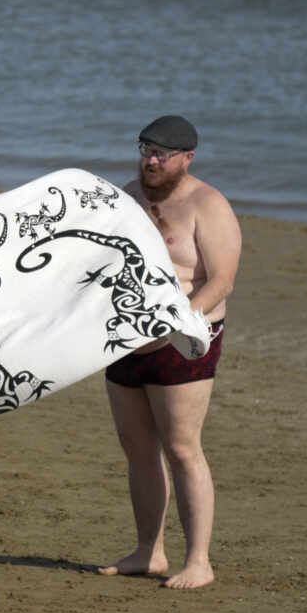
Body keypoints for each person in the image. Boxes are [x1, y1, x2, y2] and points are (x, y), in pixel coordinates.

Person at [97, 115, 242, 589]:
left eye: (161, 153)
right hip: (125, 341)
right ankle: (148, 552)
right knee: (137, 449)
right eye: (146, 150)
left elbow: (221, 281)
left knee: (182, 449)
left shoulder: (208, 204)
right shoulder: (125, 197)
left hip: (184, 343)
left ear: (187, 158)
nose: (151, 160)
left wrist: (175, 325)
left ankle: (198, 561)